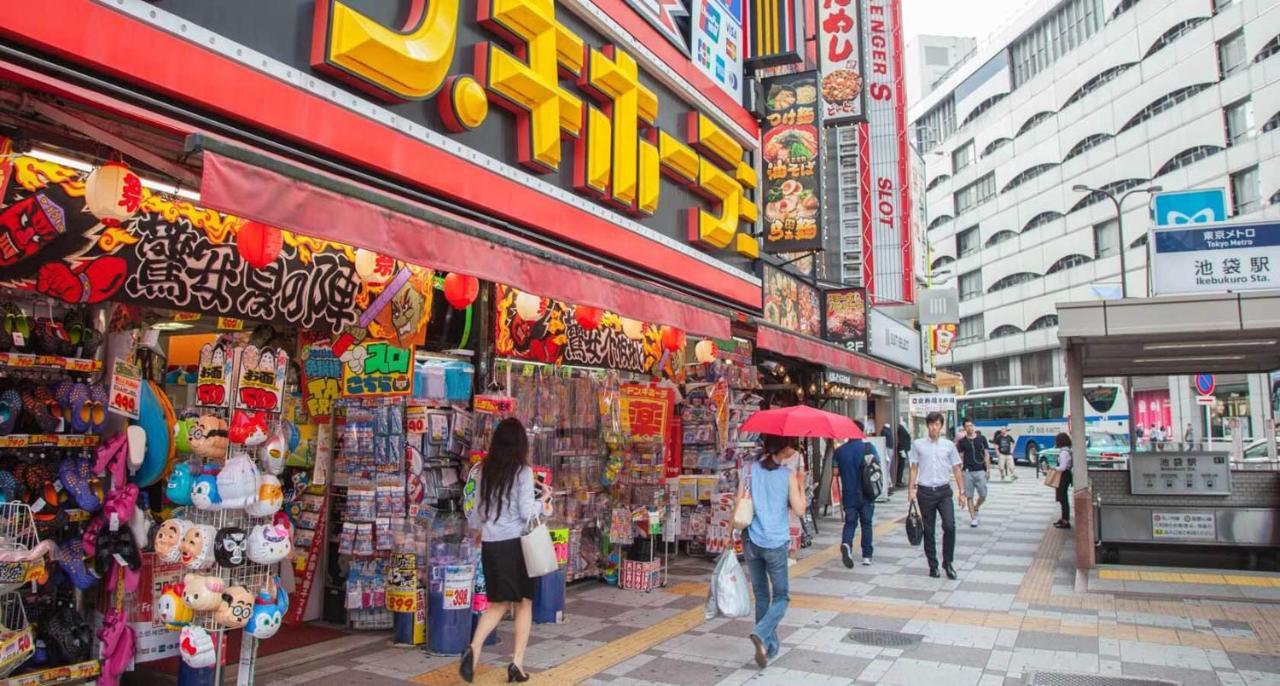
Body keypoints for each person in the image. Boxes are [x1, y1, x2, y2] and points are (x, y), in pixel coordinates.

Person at [460, 418, 551, 684]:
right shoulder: (522, 471)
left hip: (490, 543)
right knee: (523, 602)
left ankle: (474, 648)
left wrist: (478, 533)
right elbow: (525, 512)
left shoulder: (483, 470)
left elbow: (476, 512)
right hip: (515, 544)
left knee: (497, 602)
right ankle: (516, 664)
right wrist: (543, 502)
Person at [742, 434, 807, 667]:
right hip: (776, 542)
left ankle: (769, 647)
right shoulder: (787, 475)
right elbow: (800, 510)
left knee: (761, 594)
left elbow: (740, 502)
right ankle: (761, 633)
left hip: (751, 540)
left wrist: (730, 534)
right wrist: (800, 484)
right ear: (785, 449)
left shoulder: (748, 469)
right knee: (781, 596)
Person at [909, 412, 967, 580]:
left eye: (937, 424)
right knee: (929, 530)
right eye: (931, 424)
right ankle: (932, 565)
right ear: (927, 426)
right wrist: (911, 490)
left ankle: (948, 563)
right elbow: (914, 468)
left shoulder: (949, 445)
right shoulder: (918, 444)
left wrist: (962, 492)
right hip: (925, 491)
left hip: (944, 491)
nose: (934, 427)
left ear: (941, 426)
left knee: (949, 526)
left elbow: (956, 468)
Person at [834, 420, 880, 568]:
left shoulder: (840, 451)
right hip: (866, 493)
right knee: (866, 523)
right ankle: (867, 555)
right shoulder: (869, 447)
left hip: (849, 493)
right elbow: (876, 467)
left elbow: (835, 472)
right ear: (861, 431)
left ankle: (847, 544)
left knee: (850, 522)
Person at [955, 419, 991, 528]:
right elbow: (960, 457)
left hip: (980, 470)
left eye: (971, 425)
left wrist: (988, 469)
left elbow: (986, 454)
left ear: (973, 426)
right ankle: (973, 517)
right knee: (969, 496)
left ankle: (976, 507)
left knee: (983, 494)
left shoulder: (981, 438)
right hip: (967, 472)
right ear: (964, 428)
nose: (969, 428)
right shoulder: (962, 442)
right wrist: (959, 472)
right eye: (967, 426)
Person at [1052, 432, 1074, 529]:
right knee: (1063, 498)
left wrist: (1054, 468)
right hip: (1067, 476)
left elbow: (1063, 467)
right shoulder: (1068, 450)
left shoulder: (1064, 452)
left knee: (1063, 498)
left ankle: (1065, 520)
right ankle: (1064, 518)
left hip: (1064, 476)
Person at [895, 422, 912, 488]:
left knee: (902, 465)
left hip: (904, 449)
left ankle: (900, 480)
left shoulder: (903, 428)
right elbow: (901, 440)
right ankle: (899, 481)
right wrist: (902, 450)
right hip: (902, 450)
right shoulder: (901, 429)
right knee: (901, 466)